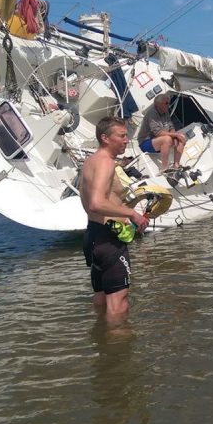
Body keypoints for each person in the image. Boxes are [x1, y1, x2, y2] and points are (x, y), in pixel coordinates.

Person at [81, 116, 149, 320]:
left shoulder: (89, 162)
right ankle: (118, 350)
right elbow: (96, 202)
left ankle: (101, 343)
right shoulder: (106, 163)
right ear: (105, 138)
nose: (126, 140)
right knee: (119, 305)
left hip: (93, 235)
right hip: (109, 240)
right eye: (121, 136)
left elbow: (91, 201)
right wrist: (132, 214)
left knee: (102, 300)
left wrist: (125, 210)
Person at [137, 93, 186, 171]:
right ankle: (164, 169)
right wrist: (175, 135)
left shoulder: (165, 112)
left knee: (181, 137)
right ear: (158, 104)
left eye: (169, 102)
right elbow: (158, 133)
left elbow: (171, 127)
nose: (168, 104)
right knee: (167, 139)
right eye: (166, 103)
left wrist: (176, 135)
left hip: (158, 141)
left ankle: (176, 165)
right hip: (145, 143)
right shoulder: (152, 113)